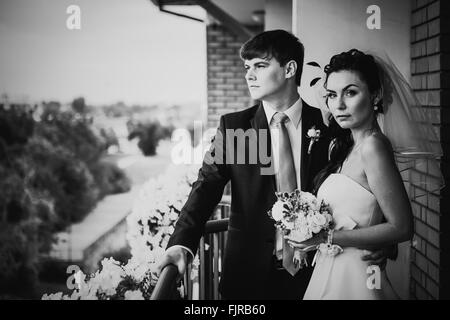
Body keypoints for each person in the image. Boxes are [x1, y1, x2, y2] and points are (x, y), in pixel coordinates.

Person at [156, 31, 392, 300]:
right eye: (247, 67)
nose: (249, 75)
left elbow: (362, 185)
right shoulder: (233, 127)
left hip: (317, 274)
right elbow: (204, 188)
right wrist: (181, 244)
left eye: (260, 65)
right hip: (247, 278)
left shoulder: (330, 126)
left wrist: (384, 240)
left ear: (290, 68)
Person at [287, 49, 443, 299]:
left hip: (357, 275)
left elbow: (402, 226)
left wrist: (325, 236)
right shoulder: (346, 146)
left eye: (350, 92)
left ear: (375, 95)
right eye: (332, 94)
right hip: (334, 267)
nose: (338, 104)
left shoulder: (373, 146)